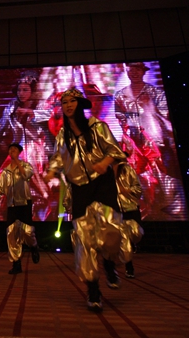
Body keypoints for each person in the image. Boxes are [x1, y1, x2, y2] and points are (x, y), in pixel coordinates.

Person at [44, 88, 127, 312]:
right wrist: (51, 171)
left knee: (111, 231)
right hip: (79, 189)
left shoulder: (97, 127)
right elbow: (57, 156)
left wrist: (104, 163)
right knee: (84, 239)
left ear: (80, 104)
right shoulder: (63, 134)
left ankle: (109, 263)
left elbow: (115, 150)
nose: (68, 105)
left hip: (102, 184)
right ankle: (93, 289)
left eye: (72, 101)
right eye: (64, 103)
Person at [0, 70, 55, 221]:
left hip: (34, 149)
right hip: (18, 150)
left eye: (25, 90)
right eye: (19, 90)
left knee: (36, 186)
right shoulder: (12, 106)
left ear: (32, 90)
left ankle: (36, 215)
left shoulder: (40, 104)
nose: (21, 93)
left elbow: (52, 114)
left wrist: (31, 112)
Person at [114, 62, 186, 220]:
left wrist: (149, 107)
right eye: (131, 70)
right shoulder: (120, 95)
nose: (134, 73)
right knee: (140, 178)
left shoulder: (155, 93)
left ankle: (172, 210)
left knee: (164, 175)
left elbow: (167, 116)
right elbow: (120, 118)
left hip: (157, 142)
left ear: (143, 72)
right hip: (134, 145)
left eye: (137, 69)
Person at [0, 142, 40, 274]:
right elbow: (2, 188)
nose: (12, 151)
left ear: (19, 152)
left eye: (14, 149)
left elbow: (26, 175)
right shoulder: (5, 171)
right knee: (11, 233)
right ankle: (16, 263)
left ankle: (34, 246)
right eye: (10, 149)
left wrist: (17, 162)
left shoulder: (26, 165)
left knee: (28, 231)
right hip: (12, 205)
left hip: (24, 202)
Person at [113, 153, 144, 279]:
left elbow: (138, 188)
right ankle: (129, 268)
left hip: (131, 208)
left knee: (136, 233)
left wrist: (127, 191)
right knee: (124, 241)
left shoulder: (127, 170)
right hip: (117, 211)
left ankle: (133, 242)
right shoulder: (106, 173)